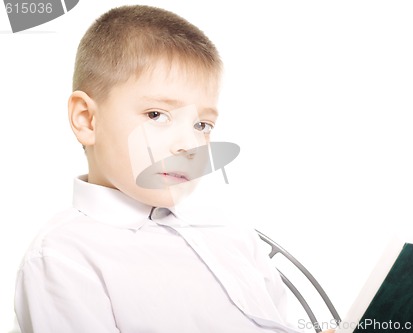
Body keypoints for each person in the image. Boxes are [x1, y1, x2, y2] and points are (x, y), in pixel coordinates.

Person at [13, 5, 335, 333]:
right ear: (87, 119)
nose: (188, 145)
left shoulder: (233, 234)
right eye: (157, 115)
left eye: (202, 124)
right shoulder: (64, 259)